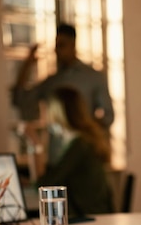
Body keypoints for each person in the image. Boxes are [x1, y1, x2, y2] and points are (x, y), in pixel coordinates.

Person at [11, 23, 114, 143]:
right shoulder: (53, 82)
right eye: (56, 46)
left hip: (84, 146)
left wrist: (87, 131)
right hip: (57, 150)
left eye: (62, 45)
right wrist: (27, 65)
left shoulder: (92, 77)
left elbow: (108, 116)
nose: (57, 51)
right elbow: (21, 99)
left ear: (73, 45)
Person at [34, 86, 114, 217]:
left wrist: (36, 145)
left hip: (89, 217)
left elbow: (44, 185)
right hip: (94, 214)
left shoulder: (79, 146)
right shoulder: (83, 141)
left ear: (56, 112)